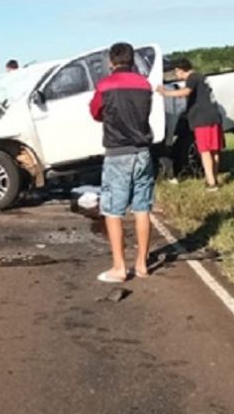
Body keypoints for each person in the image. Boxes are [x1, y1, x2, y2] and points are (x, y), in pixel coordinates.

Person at [89, 42, 154, 283]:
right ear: (132, 60)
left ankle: (119, 267)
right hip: (143, 152)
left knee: (113, 210)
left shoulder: (105, 86)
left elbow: (96, 112)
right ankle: (142, 264)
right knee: (142, 207)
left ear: (111, 62)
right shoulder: (144, 85)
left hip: (118, 153)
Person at [157, 58, 224, 191]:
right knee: (214, 150)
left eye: (176, 72)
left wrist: (166, 93)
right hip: (213, 116)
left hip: (202, 118)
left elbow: (186, 91)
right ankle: (214, 177)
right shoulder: (201, 77)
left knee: (204, 151)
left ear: (180, 70)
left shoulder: (192, 78)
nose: (175, 75)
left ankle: (211, 183)